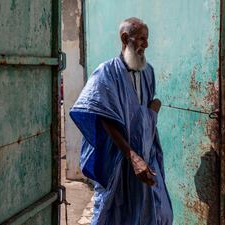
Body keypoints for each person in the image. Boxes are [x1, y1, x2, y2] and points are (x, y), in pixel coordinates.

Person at [69, 17, 173, 225]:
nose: (146, 44)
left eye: (147, 39)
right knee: (113, 212)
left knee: (156, 210)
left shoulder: (148, 72)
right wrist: (132, 156)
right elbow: (103, 116)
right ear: (126, 38)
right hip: (118, 157)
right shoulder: (105, 73)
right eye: (142, 39)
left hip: (146, 153)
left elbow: (141, 115)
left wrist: (153, 109)